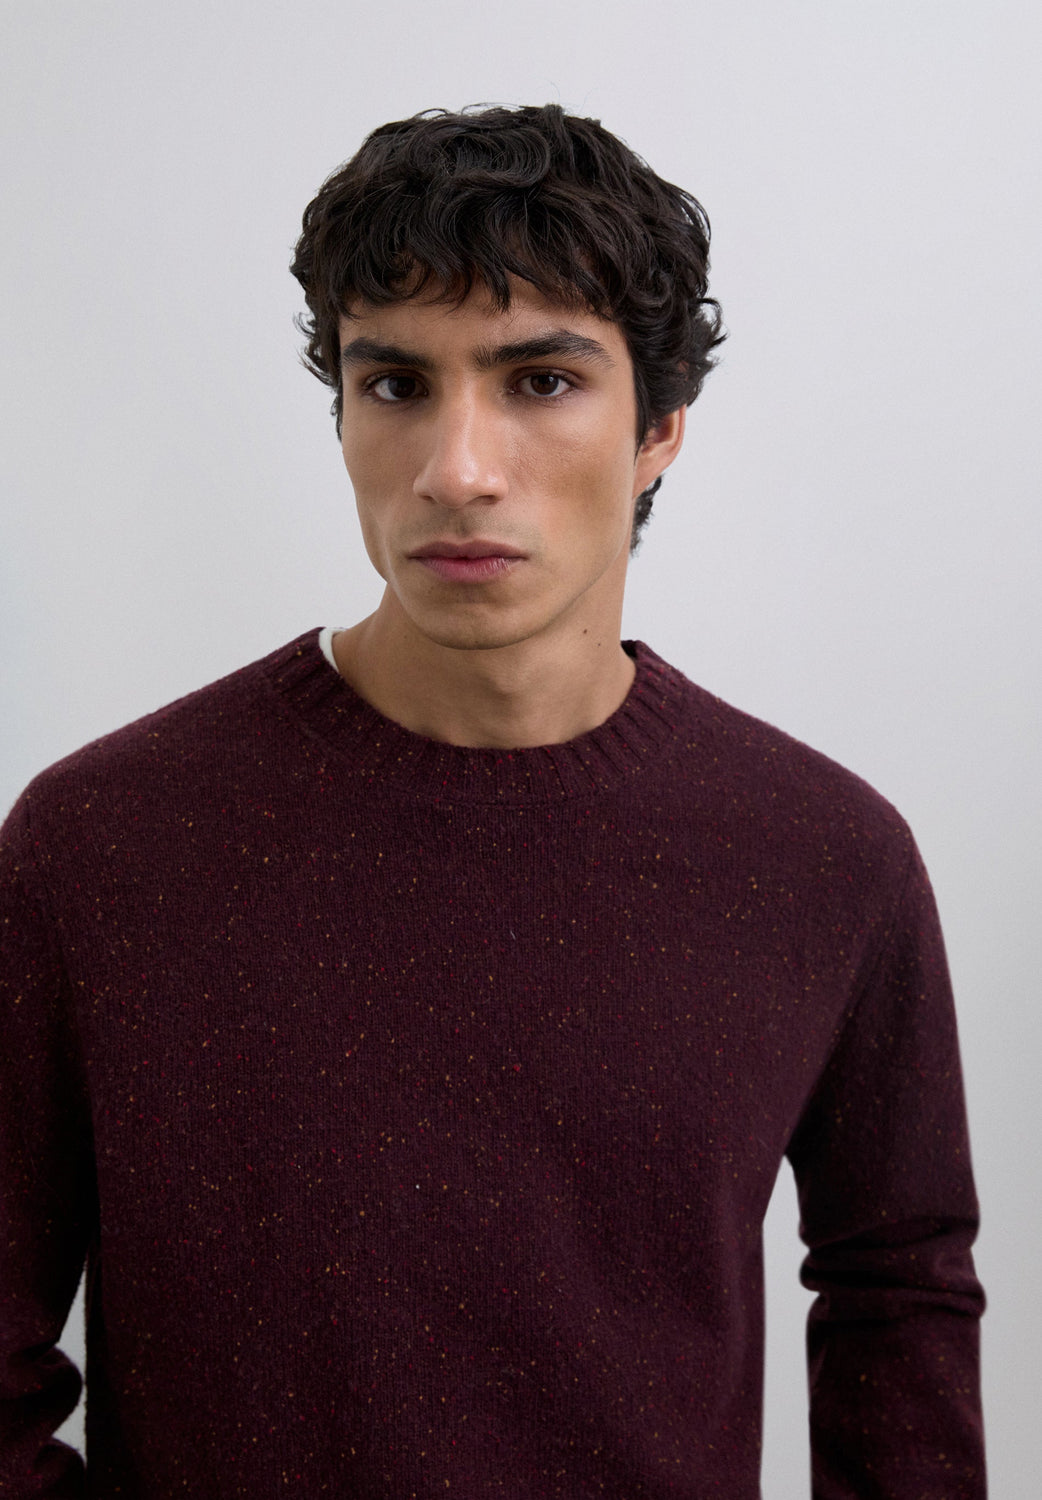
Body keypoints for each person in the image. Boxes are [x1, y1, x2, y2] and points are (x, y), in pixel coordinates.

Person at [0, 104, 985, 1497]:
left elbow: (901, 1295)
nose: (457, 470)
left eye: (540, 380)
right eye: (397, 384)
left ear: (658, 429)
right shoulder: (100, 846)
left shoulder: (826, 859)